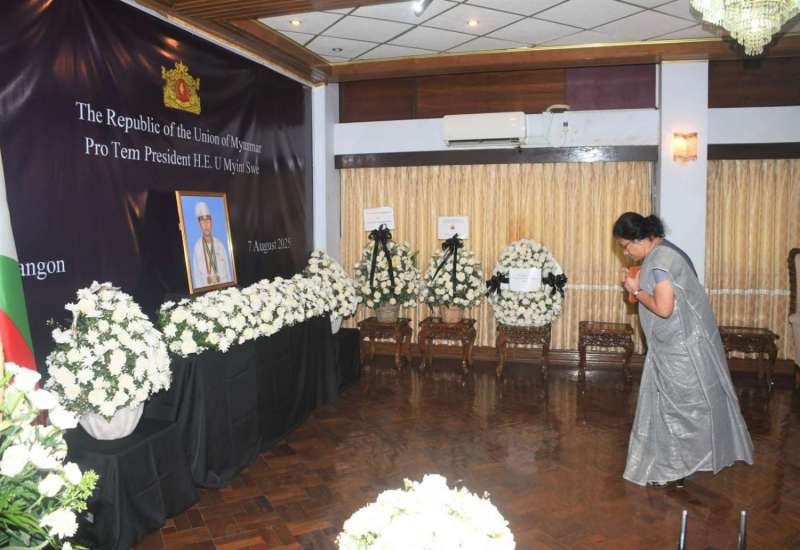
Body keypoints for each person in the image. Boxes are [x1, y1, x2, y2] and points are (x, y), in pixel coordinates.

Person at [613, 212, 753, 487]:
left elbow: (664, 308)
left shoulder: (660, 262)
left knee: (677, 411)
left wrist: (637, 290)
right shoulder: (669, 251)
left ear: (639, 239)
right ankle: (681, 464)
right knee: (690, 407)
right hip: (686, 345)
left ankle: (674, 468)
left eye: (626, 247)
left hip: (678, 351)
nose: (626, 254)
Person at [191, 201, 232, 289]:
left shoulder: (220, 245)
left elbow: (228, 273)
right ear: (199, 224)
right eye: (203, 221)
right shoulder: (197, 248)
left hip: (223, 289)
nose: (206, 225)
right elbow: (197, 278)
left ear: (212, 222)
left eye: (208, 221)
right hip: (206, 292)